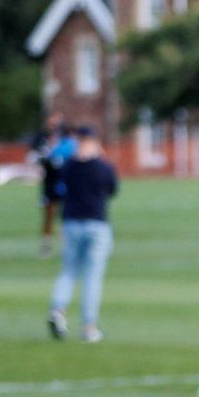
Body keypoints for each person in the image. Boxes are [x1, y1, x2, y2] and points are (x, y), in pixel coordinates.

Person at [47, 127, 117, 343]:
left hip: (71, 223)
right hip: (97, 223)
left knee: (68, 272)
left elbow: (57, 189)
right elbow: (112, 189)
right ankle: (88, 326)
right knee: (92, 277)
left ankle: (58, 309)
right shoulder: (104, 167)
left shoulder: (68, 166)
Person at [29, 112, 74, 257]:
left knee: (68, 215)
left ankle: (68, 246)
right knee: (49, 214)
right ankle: (46, 245)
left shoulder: (67, 139)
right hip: (50, 181)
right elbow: (34, 156)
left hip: (67, 182)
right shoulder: (42, 138)